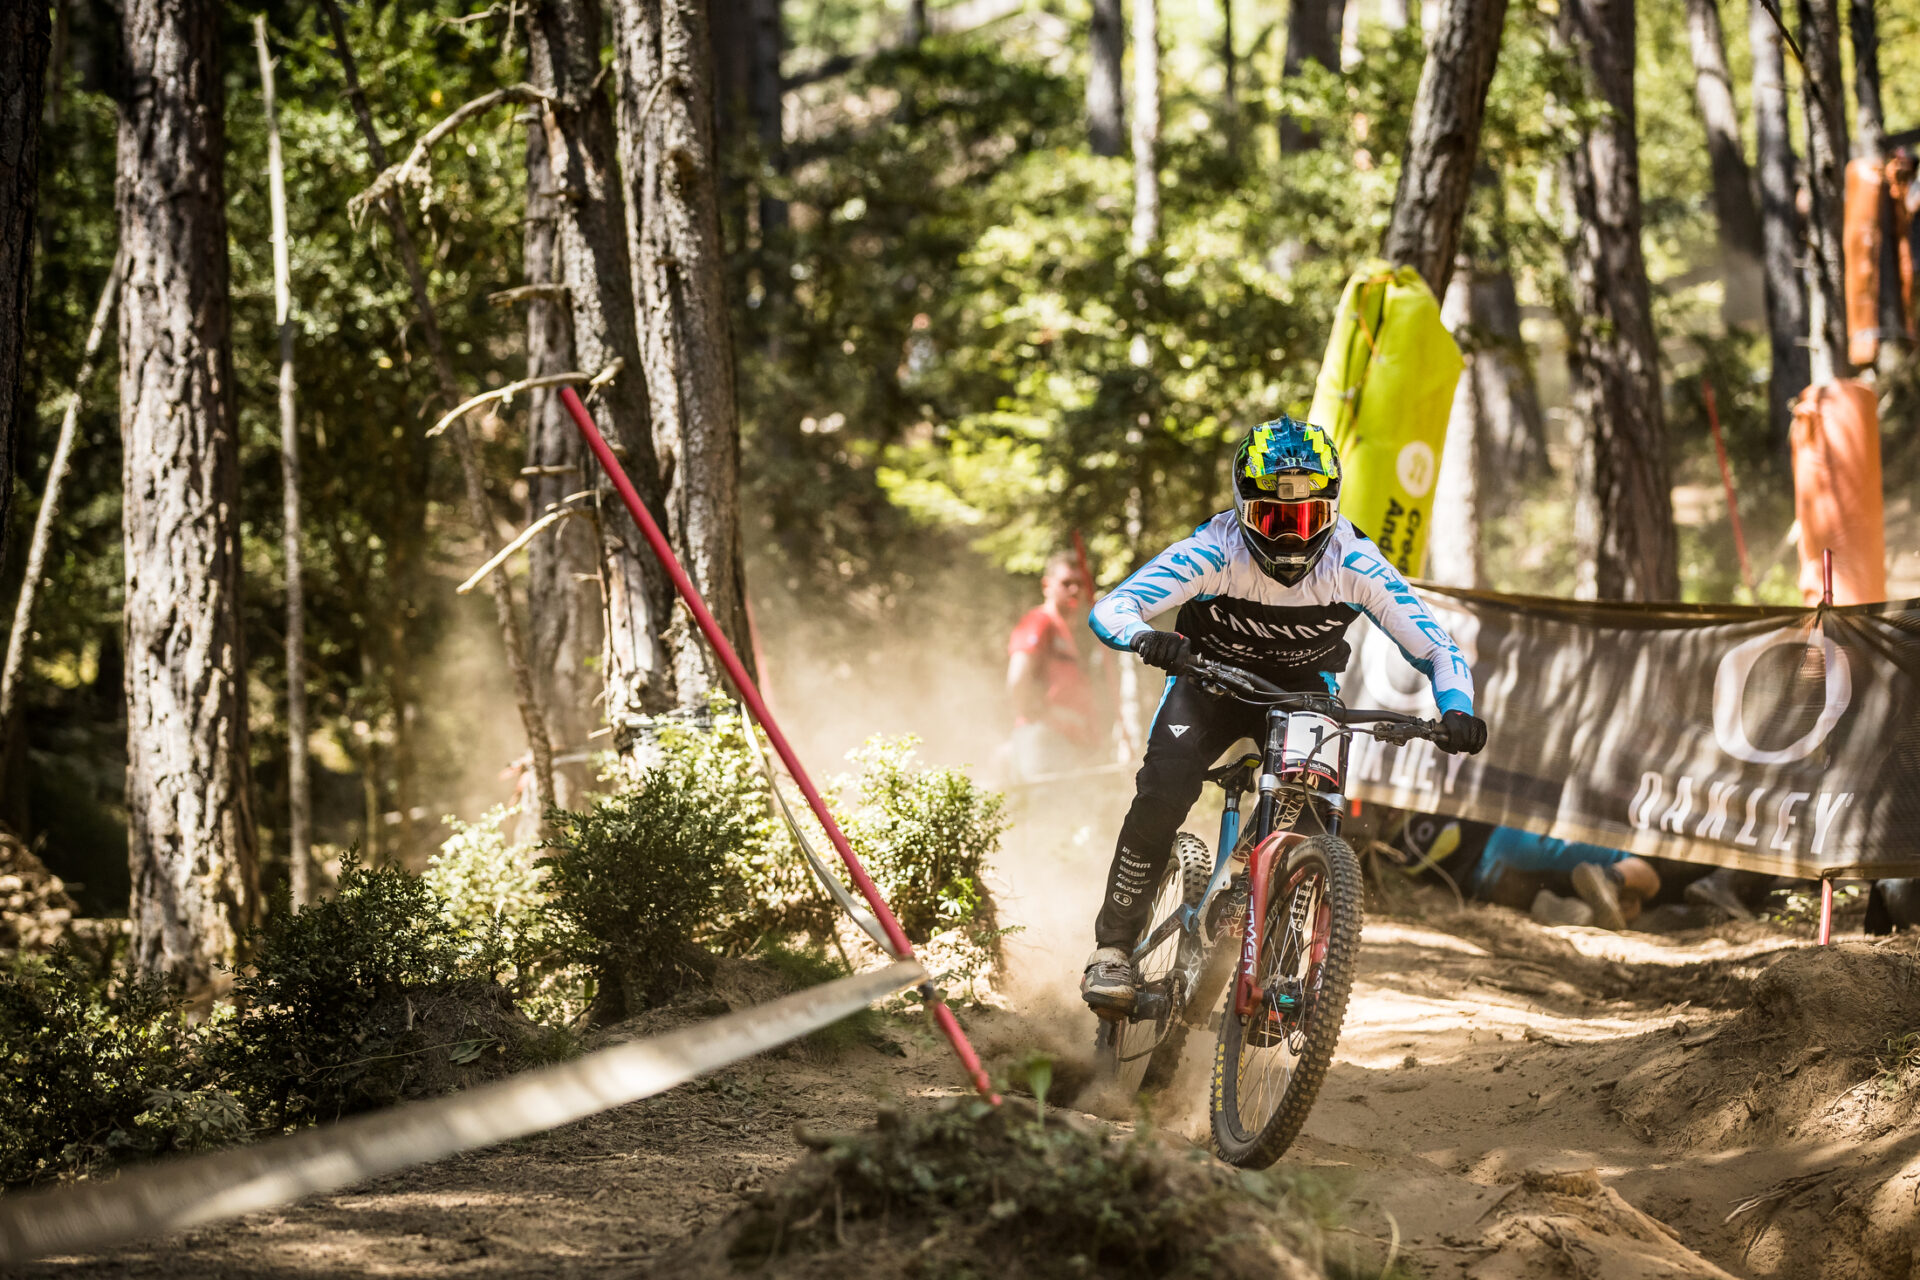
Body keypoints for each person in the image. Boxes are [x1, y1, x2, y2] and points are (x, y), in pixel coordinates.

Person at [1078, 417, 1488, 1012]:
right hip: (1209, 681)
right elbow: (1114, 609)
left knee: (1315, 814)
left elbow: (1436, 648)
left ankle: (1285, 954)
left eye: (1309, 519)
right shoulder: (1214, 549)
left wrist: (1457, 709)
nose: (1294, 538)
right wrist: (1146, 639)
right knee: (1163, 790)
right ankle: (1112, 951)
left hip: (1300, 692)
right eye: (1275, 519)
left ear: (1332, 512)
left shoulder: (1355, 562)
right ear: (1245, 510)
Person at [1005, 552, 1101, 780]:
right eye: (1066, 583)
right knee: (1046, 806)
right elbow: (1018, 677)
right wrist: (1039, 718)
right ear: (1047, 585)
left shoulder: (1068, 630)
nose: (1074, 590)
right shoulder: (1039, 621)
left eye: (1079, 584)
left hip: (1066, 740)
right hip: (1043, 738)